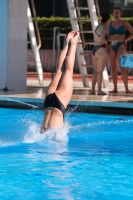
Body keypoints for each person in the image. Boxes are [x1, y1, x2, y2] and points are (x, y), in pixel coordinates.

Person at [40, 31, 79, 133]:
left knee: (68, 71)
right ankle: (67, 42)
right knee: (59, 71)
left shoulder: (48, 135)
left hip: (58, 104)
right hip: (48, 101)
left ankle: (73, 42)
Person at [109, 7, 133, 93]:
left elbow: (132, 33)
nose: (116, 14)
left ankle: (127, 88)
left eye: (117, 13)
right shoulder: (110, 23)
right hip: (112, 46)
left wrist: (126, 40)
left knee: (123, 68)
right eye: (114, 13)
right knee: (113, 68)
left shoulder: (124, 22)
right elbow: (106, 36)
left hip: (121, 46)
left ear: (120, 14)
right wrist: (109, 43)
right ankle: (115, 88)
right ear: (113, 14)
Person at [90, 12, 115, 95]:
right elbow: (101, 39)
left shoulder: (98, 26)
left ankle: (93, 90)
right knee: (100, 71)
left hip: (94, 50)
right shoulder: (104, 27)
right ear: (108, 19)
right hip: (101, 50)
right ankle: (99, 90)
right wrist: (109, 42)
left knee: (96, 71)